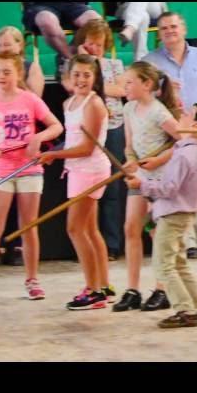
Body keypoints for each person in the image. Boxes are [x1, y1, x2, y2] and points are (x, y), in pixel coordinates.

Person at [0, 53, 63, 307]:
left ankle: (32, 280)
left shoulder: (30, 99)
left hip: (30, 170)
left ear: (18, 74)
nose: (1, 77)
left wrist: (37, 138)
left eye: (6, 72)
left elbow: (56, 127)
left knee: (28, 225)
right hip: (0, 170)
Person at [124, 103, 197, 328]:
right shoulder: (187, 150)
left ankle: (186, 311)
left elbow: (169, 189)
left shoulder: (185, 154)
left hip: (174, 214)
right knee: (178, 263)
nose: (182, 115)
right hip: (181, 213)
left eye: (187, 114)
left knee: (163, 265)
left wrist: (142, 184)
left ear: (194, 125)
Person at [143, 12, 197, 259]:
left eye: (174, 26)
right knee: (176, 187)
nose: (170, 31)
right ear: (158, 34)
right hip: (169, 137)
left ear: (184, 28)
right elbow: (146, 99)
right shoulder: (150, 62)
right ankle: (186, 241)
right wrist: (163, 94)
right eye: (164, 28)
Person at [39, 54, 115, 309]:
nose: (81, 80)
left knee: (75, 229)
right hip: (76, 169)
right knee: (90, 229)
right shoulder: (69, 103)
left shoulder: (94, 105)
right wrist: (55, 153)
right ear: (68, 77)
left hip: (90, 170)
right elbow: (73, 142)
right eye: (77, 75)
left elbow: (86, 149)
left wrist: (54, 154)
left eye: (87, 75)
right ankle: (103, 286)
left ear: (95, 77)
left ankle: (93, 290)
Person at [112, 61, 181, 313]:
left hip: (158, 180)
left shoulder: (159, 112)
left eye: (129, 82)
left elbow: (182, 142)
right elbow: (129, 145)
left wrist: (158, 160)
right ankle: (132, 289)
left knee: (156, 232)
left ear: (147, 84)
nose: (125, 86)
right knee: (131, 227)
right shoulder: (129, 108)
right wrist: (130, 161)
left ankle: (162, 289)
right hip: (139, 178)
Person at [69, 19, 127, 262]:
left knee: (112, 187)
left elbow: (121, 90)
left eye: (99, 45)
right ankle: (87, 244)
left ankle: (112, 244)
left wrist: (95, 77)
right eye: (90, 44)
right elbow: (70, 87)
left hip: (113, 127)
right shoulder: (74, 67)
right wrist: (88, 70)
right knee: (86, 196)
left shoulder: (114, 64)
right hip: (84, 131)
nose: (94, 49)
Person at [21, 2, 101, 73]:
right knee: (47, 21)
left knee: (96, 22)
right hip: (39, 6)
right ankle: (70, 60)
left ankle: (69, 57)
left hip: (74, 4)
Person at [0, 26, 44, 102]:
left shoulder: (32, 67)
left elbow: (36, 101)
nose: (3, 49)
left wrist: (16, 77)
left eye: (7, 45)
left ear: (20, 45)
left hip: (17, 111)